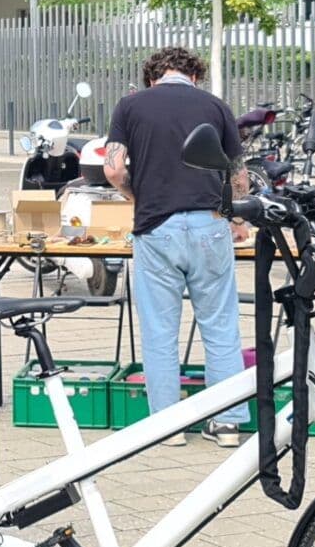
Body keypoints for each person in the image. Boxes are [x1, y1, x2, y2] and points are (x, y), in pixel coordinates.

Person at [103, 47, 250, 447]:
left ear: (152, 76)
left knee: (159, 330)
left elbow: (113, 168)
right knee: (220, 327)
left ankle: (169, 427)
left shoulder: (131, 106)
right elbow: (239, 178)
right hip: (210, 226)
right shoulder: (216, 106)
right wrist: (236, 221)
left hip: (156, 227)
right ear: (195, 76)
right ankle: (228, 424)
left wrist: (135, 193)